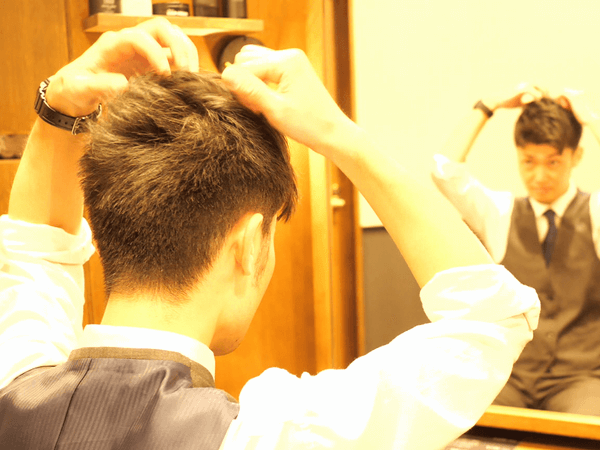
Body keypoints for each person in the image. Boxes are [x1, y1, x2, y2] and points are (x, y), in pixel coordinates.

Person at [0, 18, 539, 449]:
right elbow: (490, 320)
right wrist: (340, 134)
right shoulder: (269, 436)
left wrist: (58, 105)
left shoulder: (15, 388)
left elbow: (35, 253)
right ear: (250, 243)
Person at [431, 86, 600, 414]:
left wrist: (590, 118)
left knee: (590, 426)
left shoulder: (594, 212)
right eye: (528, 161)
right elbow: (444, 171)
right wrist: (488, 104)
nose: (540, 176)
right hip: (511, 376)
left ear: (576, 157)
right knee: (461, 417)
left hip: (579, 379)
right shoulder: (500, 212)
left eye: (553, 162)